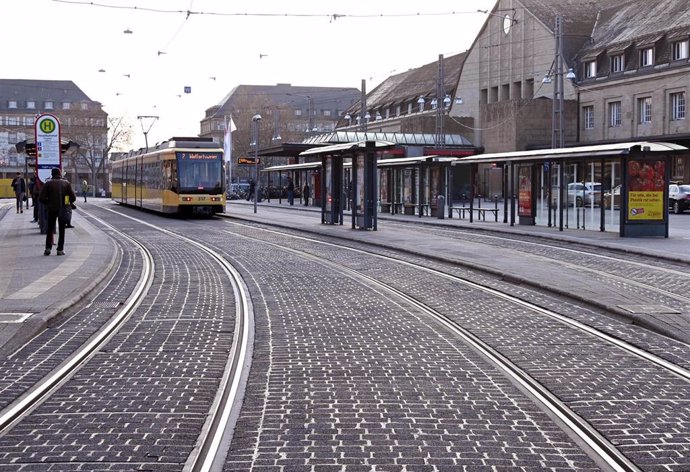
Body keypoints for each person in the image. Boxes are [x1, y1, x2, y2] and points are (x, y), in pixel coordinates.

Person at [39, 168, 76, 256]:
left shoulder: (48, 183)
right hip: (62, 209)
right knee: (61, 229)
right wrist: (67, 202)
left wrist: (48, 203)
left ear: (52, 174)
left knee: (50, 228)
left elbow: (41, 198)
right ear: (60, 174)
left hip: (51, 209)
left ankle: (48, 248)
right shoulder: (66, 183)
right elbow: (73, 197)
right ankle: (60, 249)